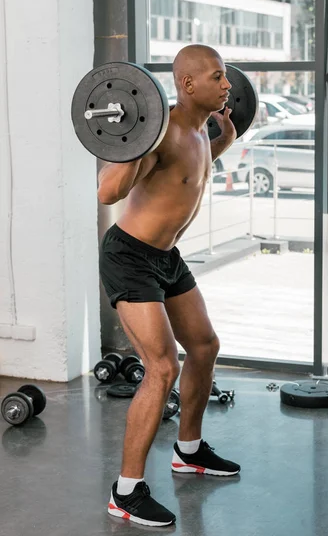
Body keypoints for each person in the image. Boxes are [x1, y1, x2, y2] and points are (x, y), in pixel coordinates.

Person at [98, 44, 241, 528]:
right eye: (219, 77)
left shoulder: (198, 132)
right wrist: (132, 139)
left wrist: (224, 139)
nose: (228, 85)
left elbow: (189, 176)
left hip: (166, 258)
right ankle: (126, 491)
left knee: (204, 346)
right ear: (188, 85)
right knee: (162, 367)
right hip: (129, 257)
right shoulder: (156, 131)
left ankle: (189, 450)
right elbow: (107, 192)